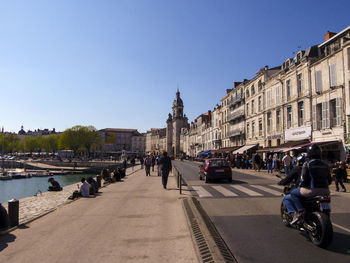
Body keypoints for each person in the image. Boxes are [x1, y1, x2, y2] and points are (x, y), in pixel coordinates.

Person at [286, 145, 332, 224]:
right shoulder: (325, 164)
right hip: (326, 191)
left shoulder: (307, 164)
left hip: (312, 190)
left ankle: (301, 211)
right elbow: (330, 180)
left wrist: (299, 186)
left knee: (293, 193)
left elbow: (303, 180)